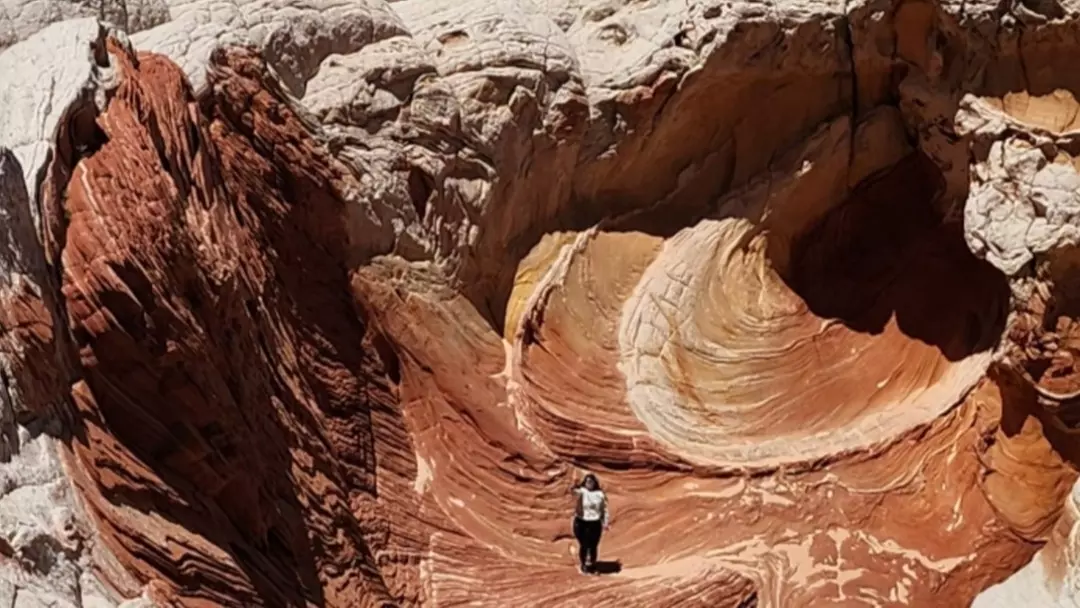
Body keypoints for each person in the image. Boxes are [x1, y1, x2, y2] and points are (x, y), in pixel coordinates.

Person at [571, 473, 610, 574]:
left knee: (593, 545)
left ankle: (592, 565)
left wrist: (605, 522)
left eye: (591, 482)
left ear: (594, 483)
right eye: (587, 481)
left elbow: (604, 509)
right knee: (584, 544)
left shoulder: (600, 494)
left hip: (594, 522)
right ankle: (584, 564)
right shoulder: (582, 491)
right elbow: (574, 492)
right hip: (581, 522)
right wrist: (574, 484)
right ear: (585, 482)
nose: (589, 484)